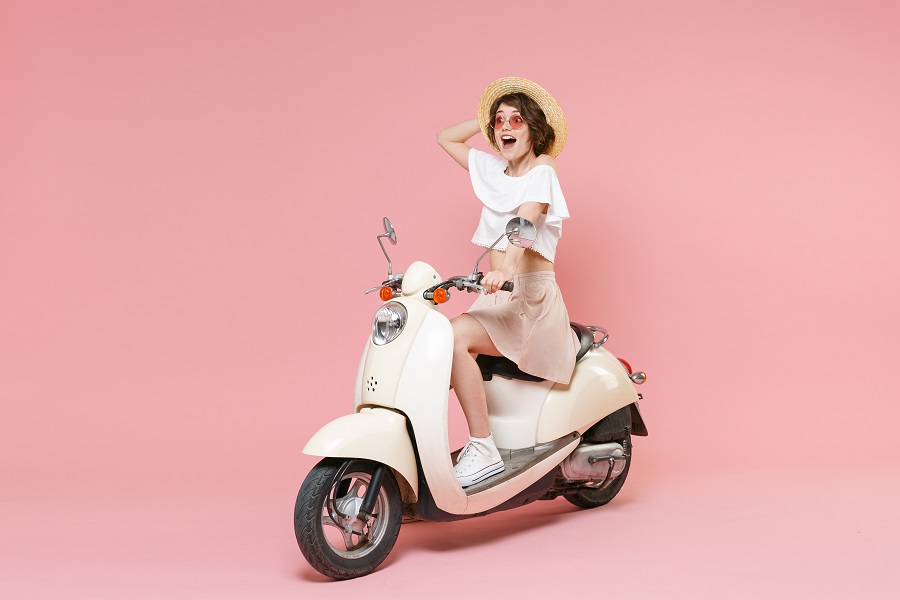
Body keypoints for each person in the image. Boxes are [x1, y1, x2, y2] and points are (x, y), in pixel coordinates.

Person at [436, 77, 579, 488]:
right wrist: (487, 118)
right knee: (433, 346)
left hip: (529, 300)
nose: (505, 127)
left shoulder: (543, 169)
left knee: (454, 337)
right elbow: (446, 138)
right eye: (499, 121)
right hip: (497, 299)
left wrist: (508, 269)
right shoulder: (491, 170)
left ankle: (483, 448)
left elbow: (526, 222)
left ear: (535, 128)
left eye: (517, 120)